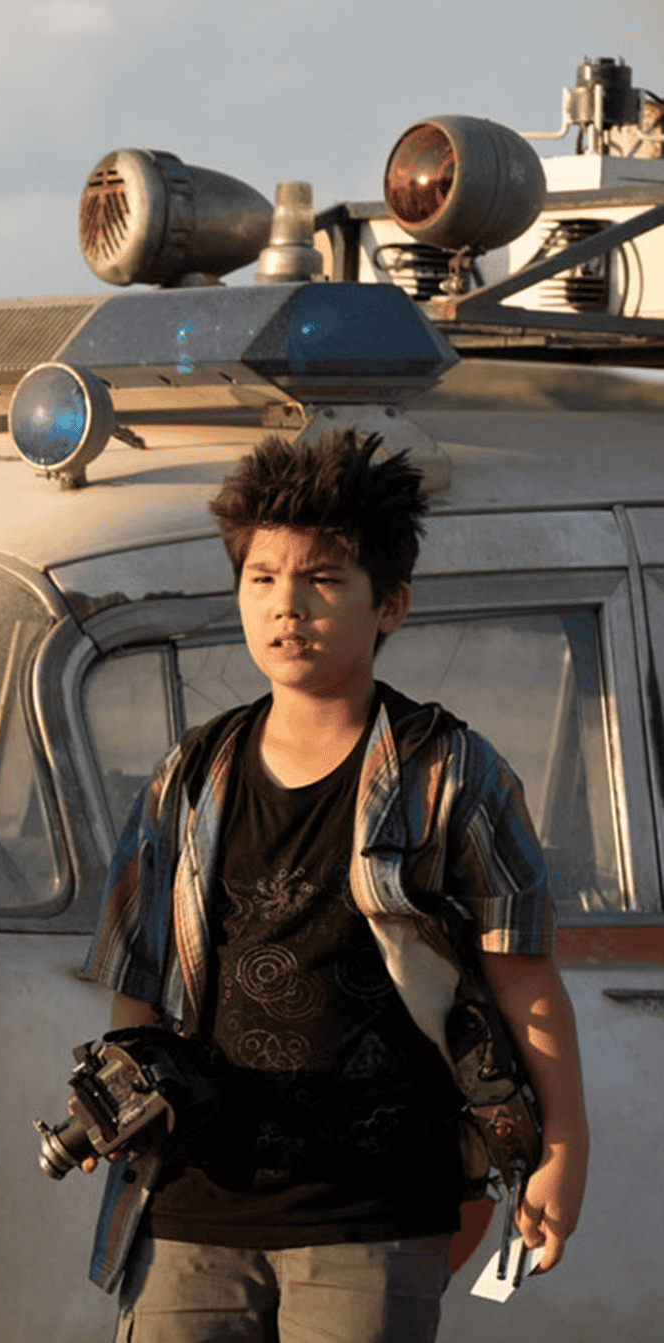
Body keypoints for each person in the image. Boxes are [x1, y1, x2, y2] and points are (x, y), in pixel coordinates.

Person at [80, 430, 587, 1342]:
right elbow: (139, 979)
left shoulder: (451, 771)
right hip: (194, 1205)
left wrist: (562, 1150)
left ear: (388, 602)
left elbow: (524, 980)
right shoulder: (187, 777)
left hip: (374, 1214)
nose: (287, 605)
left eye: (322, 579)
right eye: (262, 578)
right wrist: (118, 1095)